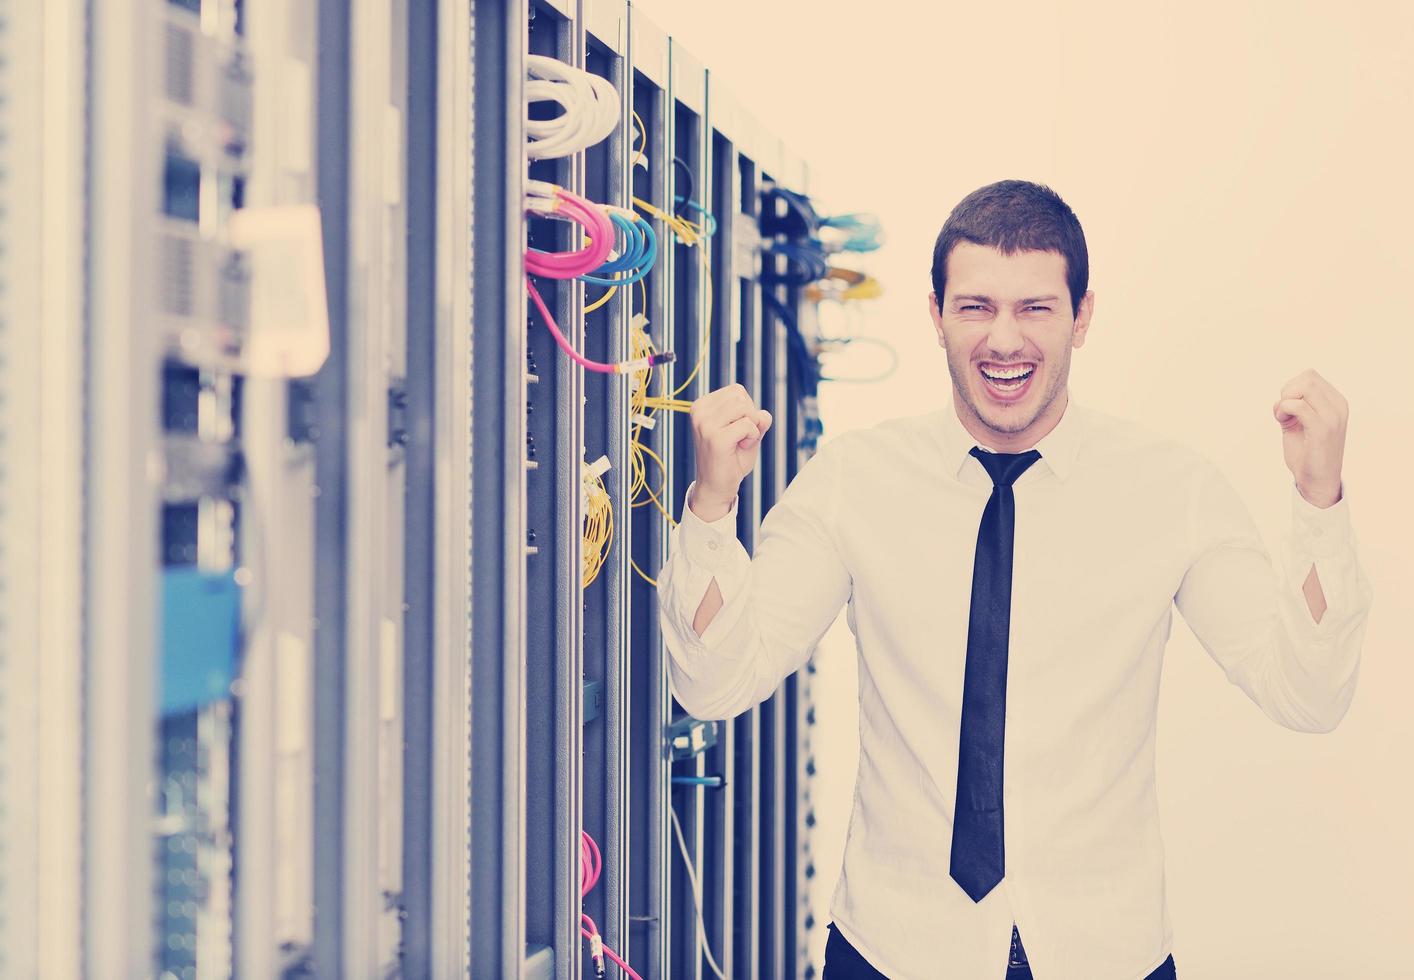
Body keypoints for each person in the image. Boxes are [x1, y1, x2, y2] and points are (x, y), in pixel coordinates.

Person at [655, 179, 1373, 980]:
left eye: (1035, 308)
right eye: (974, 307)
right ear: (935, 316)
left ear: (1082, 316)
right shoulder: (856, 480)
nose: (1004, 340)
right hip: (896, 949)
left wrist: (1319, 503)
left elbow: (1306, 695)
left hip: (1107, 952)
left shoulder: (1172, 490)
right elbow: (714, 685)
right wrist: (713, 508)